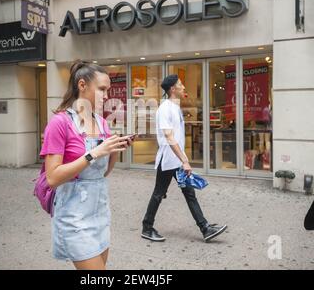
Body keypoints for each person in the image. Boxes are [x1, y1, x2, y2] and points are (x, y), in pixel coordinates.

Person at [40, 60, 133, 270]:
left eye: (108, 90)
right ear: (82, 85)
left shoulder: (102, 123)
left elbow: (103, 173)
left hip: (100, 212)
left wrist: (114, 149)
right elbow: (52, 178)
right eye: (102, 89)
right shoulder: (60, 123)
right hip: (74, 216)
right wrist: (94, 153)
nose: (107, 95)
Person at [141, 75, 227, 242]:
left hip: (177, 160)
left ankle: (205, 228)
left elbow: (177, 137)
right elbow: (168, 136)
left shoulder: (175, 107)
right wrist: (185, 161)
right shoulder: (165, 108)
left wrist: (182, 159)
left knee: (189, 193)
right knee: (159, 194)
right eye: (180, 84)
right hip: (168, 161)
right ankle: (147, 227)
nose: (183, 86)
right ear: (172, 89)